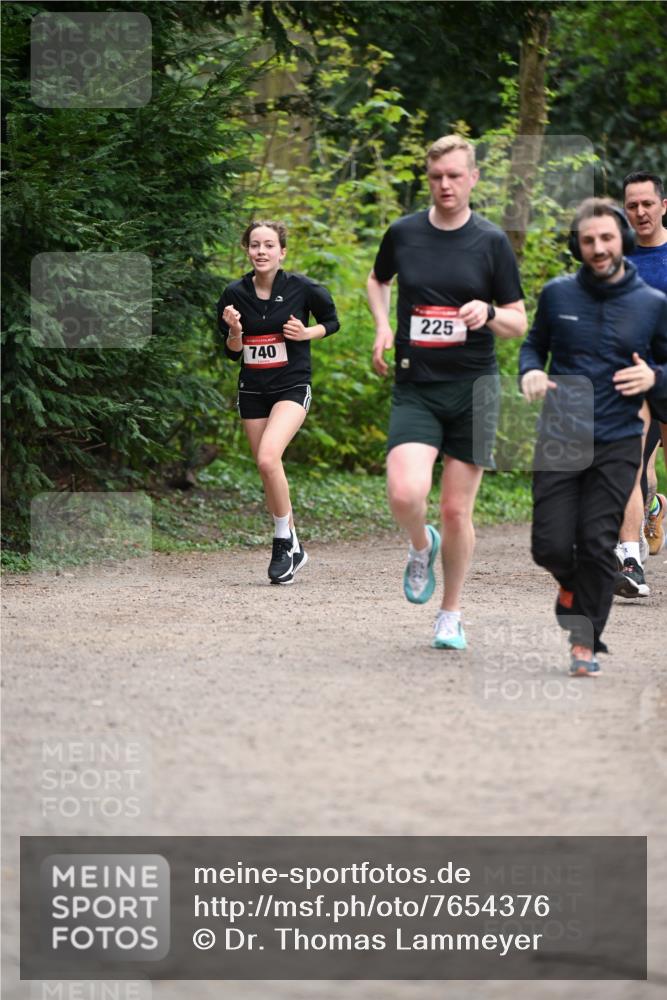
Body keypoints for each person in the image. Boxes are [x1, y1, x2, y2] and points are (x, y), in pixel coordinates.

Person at [367, 135, 526, 650]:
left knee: (457, 511)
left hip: (474, 389)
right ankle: (420, 545)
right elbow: (377, 280)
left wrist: (490, 313)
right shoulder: (405, 233)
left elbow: (519, 321)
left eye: (455, 176)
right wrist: (383, 326)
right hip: (417, 386)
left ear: (473, 178)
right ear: (428, 178)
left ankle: (450, 614)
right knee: (405, 493)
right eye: (437, 177)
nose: (445, 186)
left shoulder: (491, 241)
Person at [520, 198, 667, 677]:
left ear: (621, 240)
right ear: (578, 245)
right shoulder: (558, 295)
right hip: (561, 434)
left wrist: (654, 380)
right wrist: (530, 374)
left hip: (620, 438)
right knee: (549, 546)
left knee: (597, 539)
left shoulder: (652, 304)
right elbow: (533, 345)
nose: (598, 248)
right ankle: (571, 586)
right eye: (588, 240)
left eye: (606, 238)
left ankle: (585, 641)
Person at [218, 220, 339, 584]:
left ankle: (281, 541)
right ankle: (296, 547)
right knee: (267, 469)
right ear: (246, 250)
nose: (261, 251)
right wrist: (236, 332)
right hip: (252, 389)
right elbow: (231, 352)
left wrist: (307, 332)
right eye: (255, 245)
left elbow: (331, 322)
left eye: (269, 245)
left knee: (269, 457)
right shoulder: (233, 294)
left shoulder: (302, 288)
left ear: (282, 251)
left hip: (291, 385)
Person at [614, 171, 667, 596]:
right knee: (629, 464)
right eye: (632, 206)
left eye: (648, 203)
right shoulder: (616, 258)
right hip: (636, 375)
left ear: (663, 205)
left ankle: (655, 505)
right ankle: (629, 559)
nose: (641, 212)